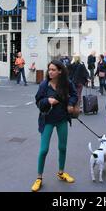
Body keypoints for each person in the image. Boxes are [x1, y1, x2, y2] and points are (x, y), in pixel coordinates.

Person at [31, 60, 78, 192]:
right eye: (49, 69)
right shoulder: (44, 85)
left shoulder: (66, 83)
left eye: (53, 69)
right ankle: (39, 178)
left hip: (62, 119)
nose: (50, 72)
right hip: (47, 120)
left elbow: (74, 95)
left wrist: (70, 104)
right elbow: (38, 101)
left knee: (62, 147)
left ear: (60, 71)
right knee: (43, 150)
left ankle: (61, 172)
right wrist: (47, 100)